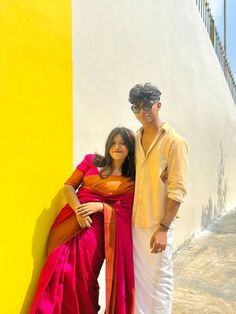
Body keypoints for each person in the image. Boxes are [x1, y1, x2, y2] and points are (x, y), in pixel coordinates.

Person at [29, 127, 136, 314]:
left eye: (122, 143)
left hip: (99, 230)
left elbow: (127, 210)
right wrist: (79, 210)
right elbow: (69, 186)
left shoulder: (131, 178)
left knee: (84, 277)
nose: (117, 146)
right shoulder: (91, 161)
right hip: (70, 221)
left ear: (130, 148)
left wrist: (101, 207)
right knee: (57, 269)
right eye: (113, 142)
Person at [128, 83, 188, 314]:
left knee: (160, 280)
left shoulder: (175, 142)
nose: (142, 112)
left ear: (158, 105)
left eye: (146, 106)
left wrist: (164, 227)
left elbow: (177, 190)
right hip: (135, 222)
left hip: (157, 225)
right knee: (139, 283)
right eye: (136, 107)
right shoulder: (135, 139)